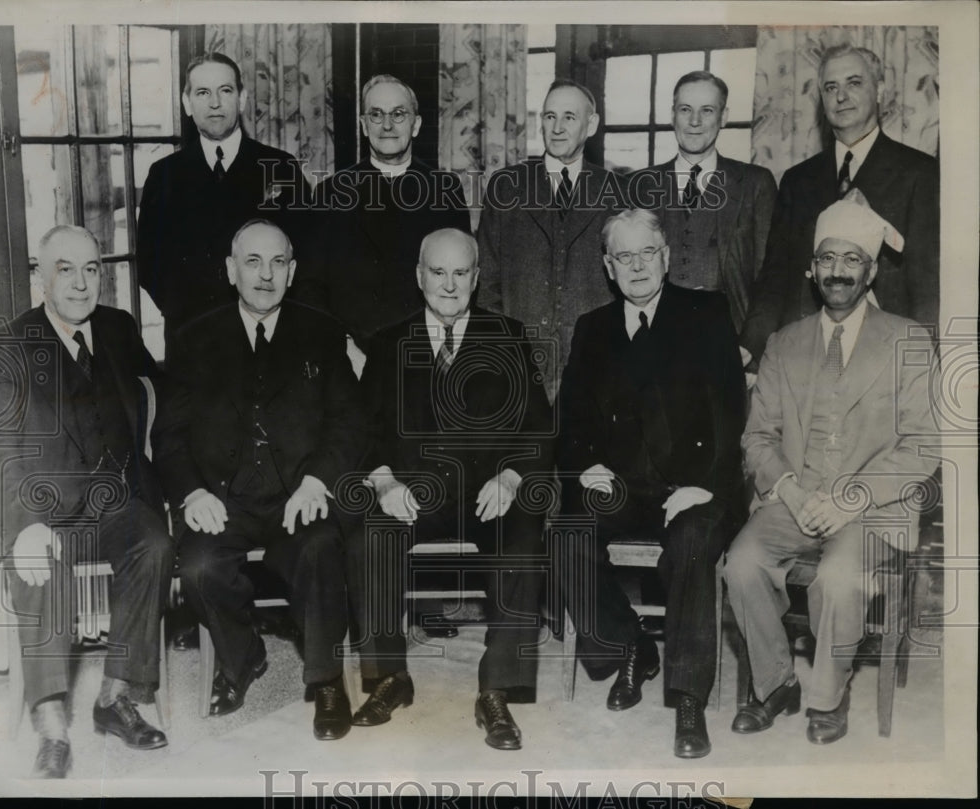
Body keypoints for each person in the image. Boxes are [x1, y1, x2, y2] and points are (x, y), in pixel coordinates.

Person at [724, 196, 938, 745]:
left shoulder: (909, 340)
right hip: (795, 499)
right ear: (810, 268)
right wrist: (793, 494)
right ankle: (775, 685)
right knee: (742, 563)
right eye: (826, 259)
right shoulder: (783, 342)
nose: (837, 272)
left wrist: (851, 497)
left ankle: (828, 694)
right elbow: (757, 436)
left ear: (870, 269)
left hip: (872, 508)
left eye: (850, 260)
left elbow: (924, 443)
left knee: (839, 577)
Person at [155, 219, 367, 741]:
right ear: (232, 271)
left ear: (292, 273)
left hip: (298, 495)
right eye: (253, 262)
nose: (265, 275)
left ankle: (326, 679)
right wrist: (192, 492)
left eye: (277, 263)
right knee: (200, 568)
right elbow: (169, 435)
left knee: (321, 549)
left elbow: (349, 422)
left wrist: (318, 481)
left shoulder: (321, 331)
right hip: (223, 498)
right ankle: (243, 656)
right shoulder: (193, 338)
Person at [556, 209, 746, 759]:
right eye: (624, 256)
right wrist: (586, 464)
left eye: (647, 253)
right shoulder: (593, 328)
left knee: (691, 544)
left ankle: (686, 700)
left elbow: (731, 414)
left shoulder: (705, 313)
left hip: (694, 487)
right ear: (609, 268)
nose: (636, 265)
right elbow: (570, 420)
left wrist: (705, 486)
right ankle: (632, 646)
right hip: (622, 488)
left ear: (666, 258)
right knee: (566, 529)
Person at [352, 228, 552, 750]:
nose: (449, 284)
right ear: (419, 277)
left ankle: (497, 691)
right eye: (437, 272)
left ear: (477, 279)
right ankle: (389, 679)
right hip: (412, 495)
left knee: (524, 539)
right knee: (368, 533)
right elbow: (360, 430)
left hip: (488, 495)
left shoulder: (506, 334)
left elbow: (538, 428)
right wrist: (383, 481)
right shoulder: (387, 341)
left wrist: (511, 477)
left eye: (460, 273)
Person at [0, 226, 173, 778]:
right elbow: (2, 451)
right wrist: (24, 525)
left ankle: (115, 699)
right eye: (65, 269)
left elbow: (163, 393)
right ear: (40, 278)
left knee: (155, 543)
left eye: (91, 268)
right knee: (41, 564)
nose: (80, 282)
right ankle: (51, 726)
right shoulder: (11, 347)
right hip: (47, 510)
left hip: (117, 500)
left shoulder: (117, 328)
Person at [739, 44, 939, 366]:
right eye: (831, 87)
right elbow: (775, 277)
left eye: (854, 83)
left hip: (883, 359)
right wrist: (750, 347)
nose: (841, 96)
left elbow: (928, 286)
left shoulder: (921, 174)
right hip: (806, 358)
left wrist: (922, 364)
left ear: (880, 90)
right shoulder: (796, 180)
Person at [295, 74, 470, 365]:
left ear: (416, 125)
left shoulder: (443, 190)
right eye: (376, 115)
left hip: (425, 358)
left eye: (398, 114)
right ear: (364, 125)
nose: (387, 125)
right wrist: (342, 347)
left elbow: (462, 283)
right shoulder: (332, 191)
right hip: (351, 360)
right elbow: (309, 285)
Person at [137, 52, 310, 344]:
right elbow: (149, 264)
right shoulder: (164, 174)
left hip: (266, 335)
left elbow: (307, 255)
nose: (215, 103)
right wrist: (185, 315)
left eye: (225, 91)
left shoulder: (281, 167)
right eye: (203, 92)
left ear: (241, 100)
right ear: (187, 103)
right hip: (191, 339)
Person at [478, 78, 629, 401]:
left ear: (591, 125)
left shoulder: (616, 191)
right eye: (549, 116)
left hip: (594, 369)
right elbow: (486, 282)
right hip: (517, 368)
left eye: (569, 117)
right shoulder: (506, 187)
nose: (557, 127)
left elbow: (628, 284)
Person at [628, 70, 776, 350]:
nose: (694, 121)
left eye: (707, 111)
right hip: (656, 349)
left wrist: (752, 347)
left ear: (724, 116)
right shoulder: (642, 186)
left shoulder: (755, 184)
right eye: (686, 110)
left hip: (731, 349)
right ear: (673, 115)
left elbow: (771, 278)